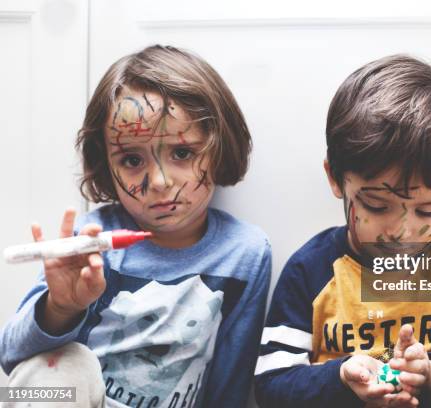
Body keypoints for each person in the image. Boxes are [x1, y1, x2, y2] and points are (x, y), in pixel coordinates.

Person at [253, 55, 431, 408]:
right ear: (335, 178)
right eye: (377, 206)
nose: (402, 232)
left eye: (427, 211)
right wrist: (340, 376)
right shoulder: (312, 269)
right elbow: (271, 386)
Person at [0, 45, 271, 408]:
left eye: (182, 153)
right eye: (131, 159)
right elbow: (11, 360)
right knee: (69, 366)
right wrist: (61, 307)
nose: (158, 181)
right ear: (105, 165)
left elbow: (231, 381)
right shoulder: (92, 242)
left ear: (220, 149)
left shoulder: (246, 252)